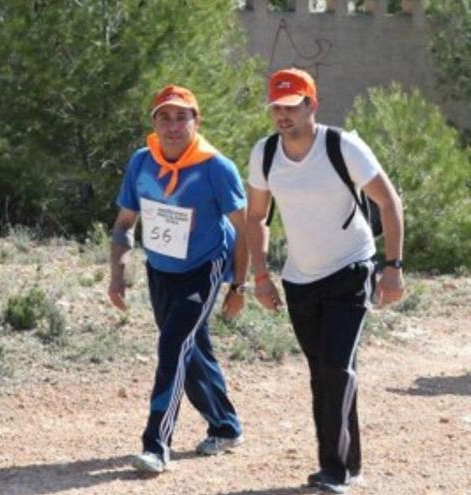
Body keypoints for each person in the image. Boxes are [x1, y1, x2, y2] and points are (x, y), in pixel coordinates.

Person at [245, 68, 405, 494]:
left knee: (336, 367)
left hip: (351, 270)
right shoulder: (264, 154)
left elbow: (388, 202)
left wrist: (394, 267)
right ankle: (343, 465)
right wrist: (260, 275)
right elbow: (256, 217)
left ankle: (336, 471)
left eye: (292, 106)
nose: (283, 114)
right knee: (323, 372)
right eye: (277, 107)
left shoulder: (342, 146)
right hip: (299, 280)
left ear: (312, 105)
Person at [107, 84, 247, 474]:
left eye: (181, 116)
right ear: (153, 123)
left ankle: (156, 444)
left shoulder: (215, 166)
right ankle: (226, 425)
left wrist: (239, 286)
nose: (172, 125)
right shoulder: (141, 162)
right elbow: (123, 224)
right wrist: (118, 273)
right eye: (164, 117)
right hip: (161, 268)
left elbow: (245, 227)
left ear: (196, 121)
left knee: (172, 345)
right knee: (191, 348)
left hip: (205, 265)